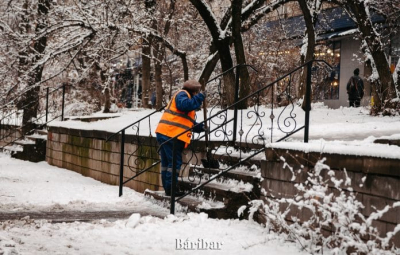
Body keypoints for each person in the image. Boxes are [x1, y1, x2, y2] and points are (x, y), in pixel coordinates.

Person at [155, 80, 206, 196]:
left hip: (166, 133)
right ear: (194, 91)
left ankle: (169, 188)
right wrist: (200, 98)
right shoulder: (183, 94)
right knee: (174, 163)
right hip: (171, 134)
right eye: (197, 93)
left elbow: (185, 121)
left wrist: (200, 127)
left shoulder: (183, 96)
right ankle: (172, 190)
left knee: (167, 164)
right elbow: (185, 106)